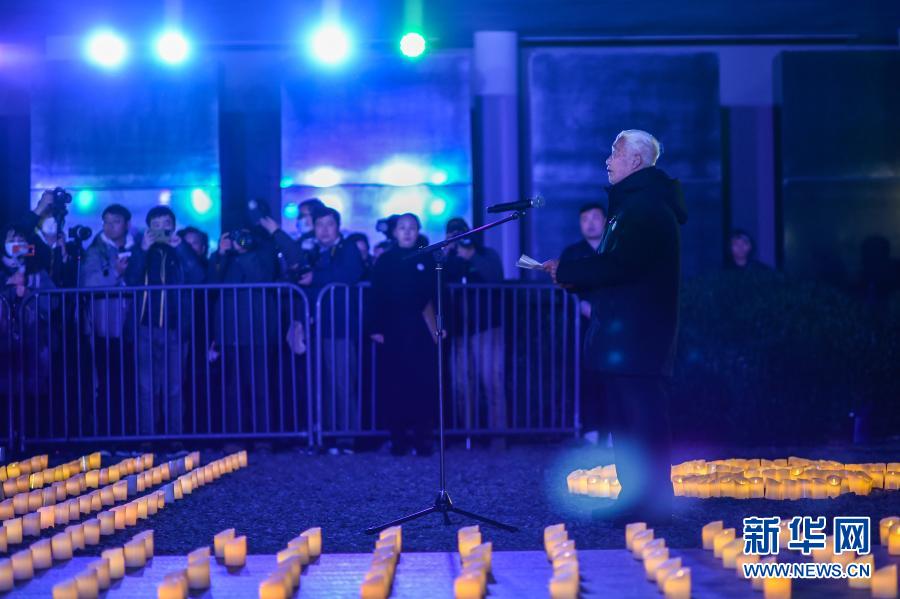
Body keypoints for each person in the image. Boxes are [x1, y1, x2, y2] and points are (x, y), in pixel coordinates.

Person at [543, 130, 687, 522]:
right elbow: (621, 269)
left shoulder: (645, 208)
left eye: (615, 152)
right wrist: (574, 277)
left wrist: (571, 271)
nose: (608, 160)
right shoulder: (636, 205)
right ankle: (635, 500)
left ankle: (651, 503)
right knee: (626, 423)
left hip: (639, 338)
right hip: (629, 338)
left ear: (636, 161)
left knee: (641, 422)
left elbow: (623, 265)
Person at [124, 206, 205, 436]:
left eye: (166, 224)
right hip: (144, 327)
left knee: (175, 387)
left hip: (176, 328)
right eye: (156, 225)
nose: (161, 230)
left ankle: (174, 438)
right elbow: (131, 279)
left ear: (174, 226)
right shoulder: (140, 250)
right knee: (146, 387)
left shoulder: (182, 250)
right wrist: (142, 250)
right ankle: (148, 437)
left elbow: (198, 277)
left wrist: (181, 249)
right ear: (149, 228)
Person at [369, 213, 439, 455]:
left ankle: (422, 437)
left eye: (412, 228)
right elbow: (376, 295)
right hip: (393, 328)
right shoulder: (386, 260)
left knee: (423, 383)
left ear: (418, 231)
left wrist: (441, 324)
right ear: (394, 232)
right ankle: (397, 437)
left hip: (421, 328)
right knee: (394, 383)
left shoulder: (428, 258)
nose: (407, 232)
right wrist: (375, 327)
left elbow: (439, 293)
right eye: (402, 228)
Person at [207, 227, 280, 433]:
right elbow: (211, 283)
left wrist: (244, 252)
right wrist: (221, 254)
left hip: (259, 331)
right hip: (230, 331)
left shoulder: (264, 253)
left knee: (261, 387)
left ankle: (264, 437)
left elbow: (261, 277)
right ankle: (235, 435)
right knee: (232, 388)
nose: (241, 240)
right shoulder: (223, 257)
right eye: (237, 236)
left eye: (246, 236)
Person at [443, 217, 507, 447]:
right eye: (453, 234)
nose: (458, 237)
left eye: (461, 232)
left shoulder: (486, 254)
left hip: (487, 326)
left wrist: (470, 257)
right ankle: (469, 436)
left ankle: (498, 437)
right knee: (462, 385)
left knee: (492, 382)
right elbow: (438, 280)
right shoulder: (446, 258)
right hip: (458, 329)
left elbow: (495, 277)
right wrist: (449, 254)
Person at [80, 204, 136, 435]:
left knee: (129, 380)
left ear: (127, 224)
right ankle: (107, 435)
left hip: (132, 325)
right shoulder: (95, 251)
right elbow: (88, 282)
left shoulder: (138, 247)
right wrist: (115, 273)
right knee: (106, 381)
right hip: (104, 324)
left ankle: (128, 434)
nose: (110, 226)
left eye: (116, 221)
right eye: (106, 222)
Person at [559, 202, 608, 444]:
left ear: (605, 221)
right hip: (582, 327)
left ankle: (613, 430)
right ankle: (590, 429)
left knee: (614, 377)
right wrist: (579, 303)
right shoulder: (572, 253)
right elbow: (563, 285)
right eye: (585, 219)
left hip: (613, 325)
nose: (590, 224)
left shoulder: (615, 248)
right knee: (585, 374)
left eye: (595, 218)